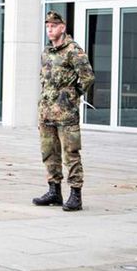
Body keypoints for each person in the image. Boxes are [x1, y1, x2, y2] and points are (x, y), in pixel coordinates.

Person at [32, 11, 94, 212]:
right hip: (47, 113)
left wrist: (71, 96)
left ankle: (75, 194)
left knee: (71, 154)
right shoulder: (46, 52)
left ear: (62, 28)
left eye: (53, 26)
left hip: (66, 114)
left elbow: (87, 77)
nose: (50, 29)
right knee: (49, 153)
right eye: (47, 26)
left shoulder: (74, 51)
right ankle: (54, 191)